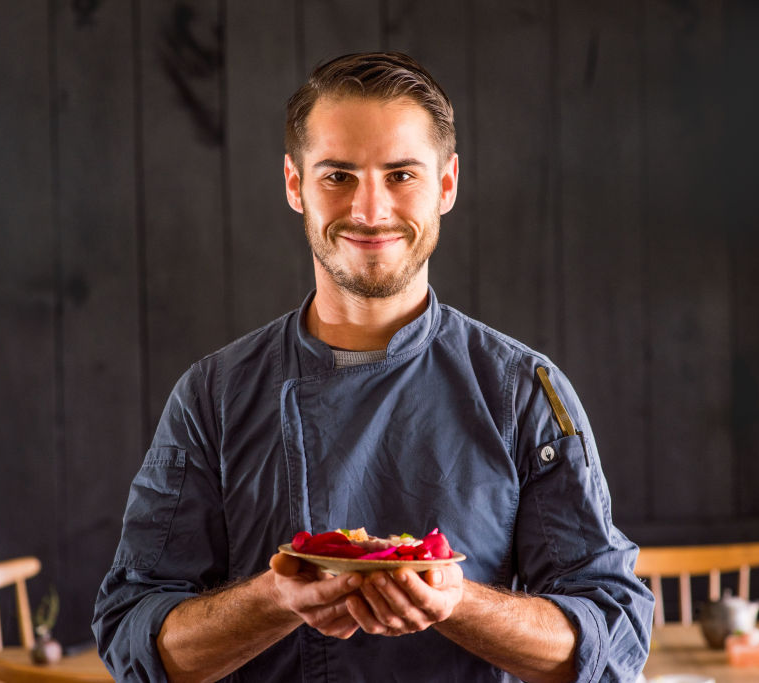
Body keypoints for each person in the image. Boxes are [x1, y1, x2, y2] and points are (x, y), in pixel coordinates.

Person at [93, 51, 653, 682]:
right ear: (292, 183)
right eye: (337, 175)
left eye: (401, 175)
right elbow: (134, 639)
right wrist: (276, 599)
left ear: (446, 185)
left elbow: (614, 640)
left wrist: (454, 600)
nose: (368, 209)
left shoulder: (523, 391)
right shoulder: (211, 396)